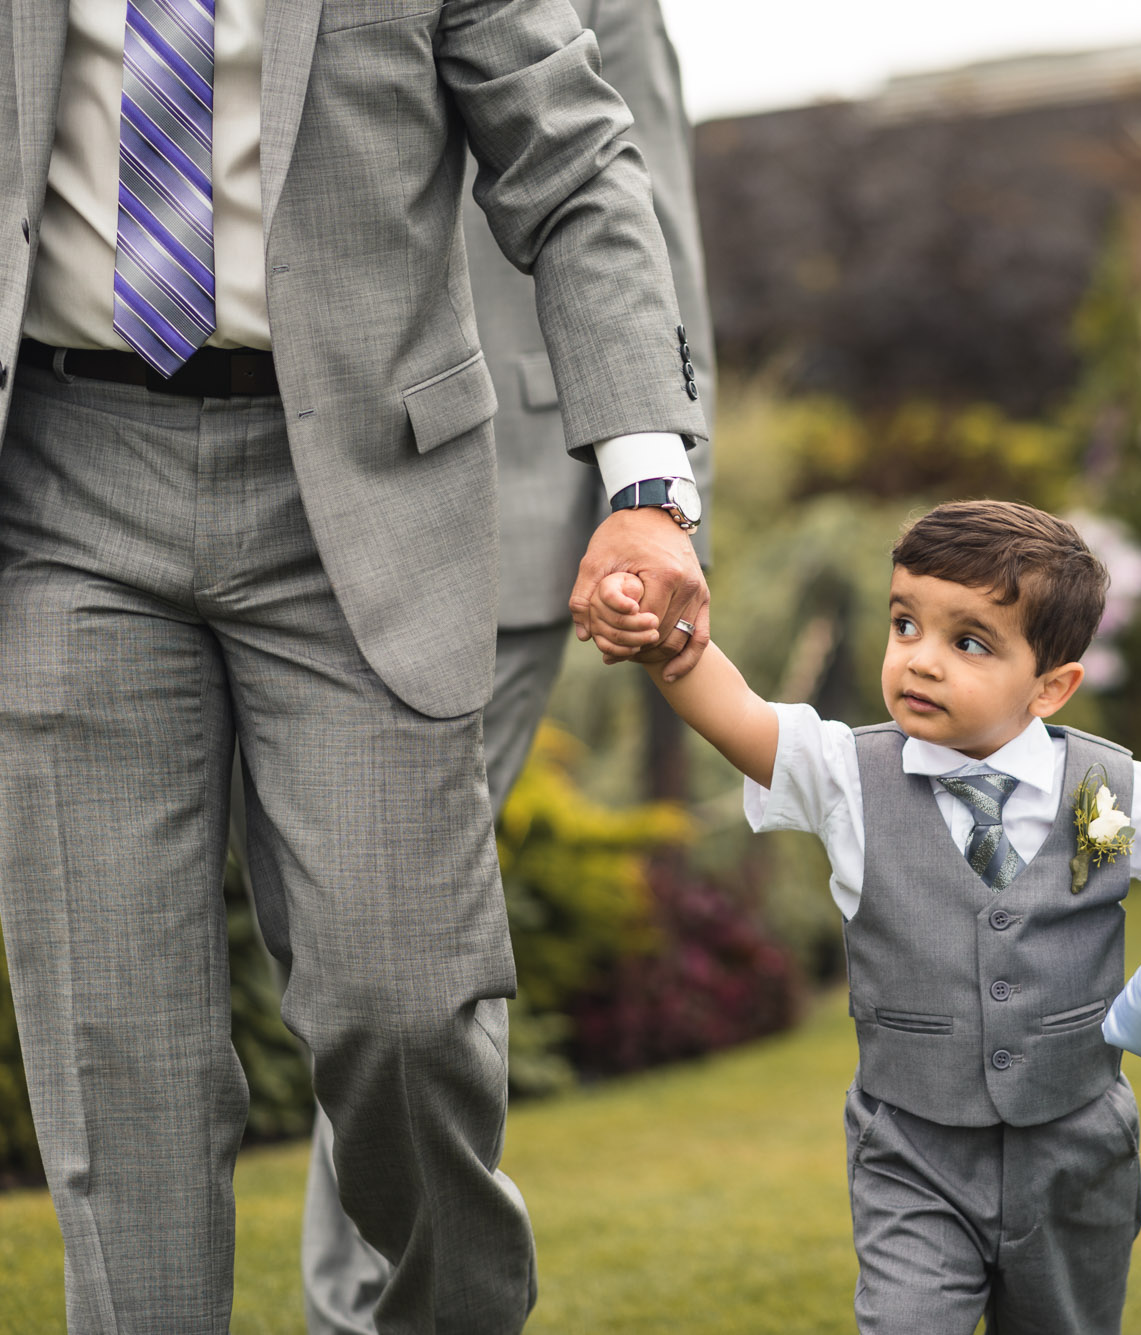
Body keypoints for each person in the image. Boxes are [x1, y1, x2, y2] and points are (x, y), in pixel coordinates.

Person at [0, 0, 712, 1328]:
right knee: (119, 1057)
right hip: (63, 484)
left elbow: (574, 161)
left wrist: (647, 480)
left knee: (407, 1009)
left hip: (358, 489)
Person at [586, 500, 1141, 1334]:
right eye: (904, 624)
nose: (920, 661)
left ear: (1051, 686)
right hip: (912, 1156)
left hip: (1076, 1160)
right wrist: (662, 637)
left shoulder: (1105, 790)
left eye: (968, 642)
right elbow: (740, 714)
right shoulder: (848, 775)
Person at [285, 3, 715, 1330]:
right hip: (290, 478)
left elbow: (635, 203)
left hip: (509, 502)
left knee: (406, 968)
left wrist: (654, 494)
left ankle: (361, 1306)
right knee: (357, 969)